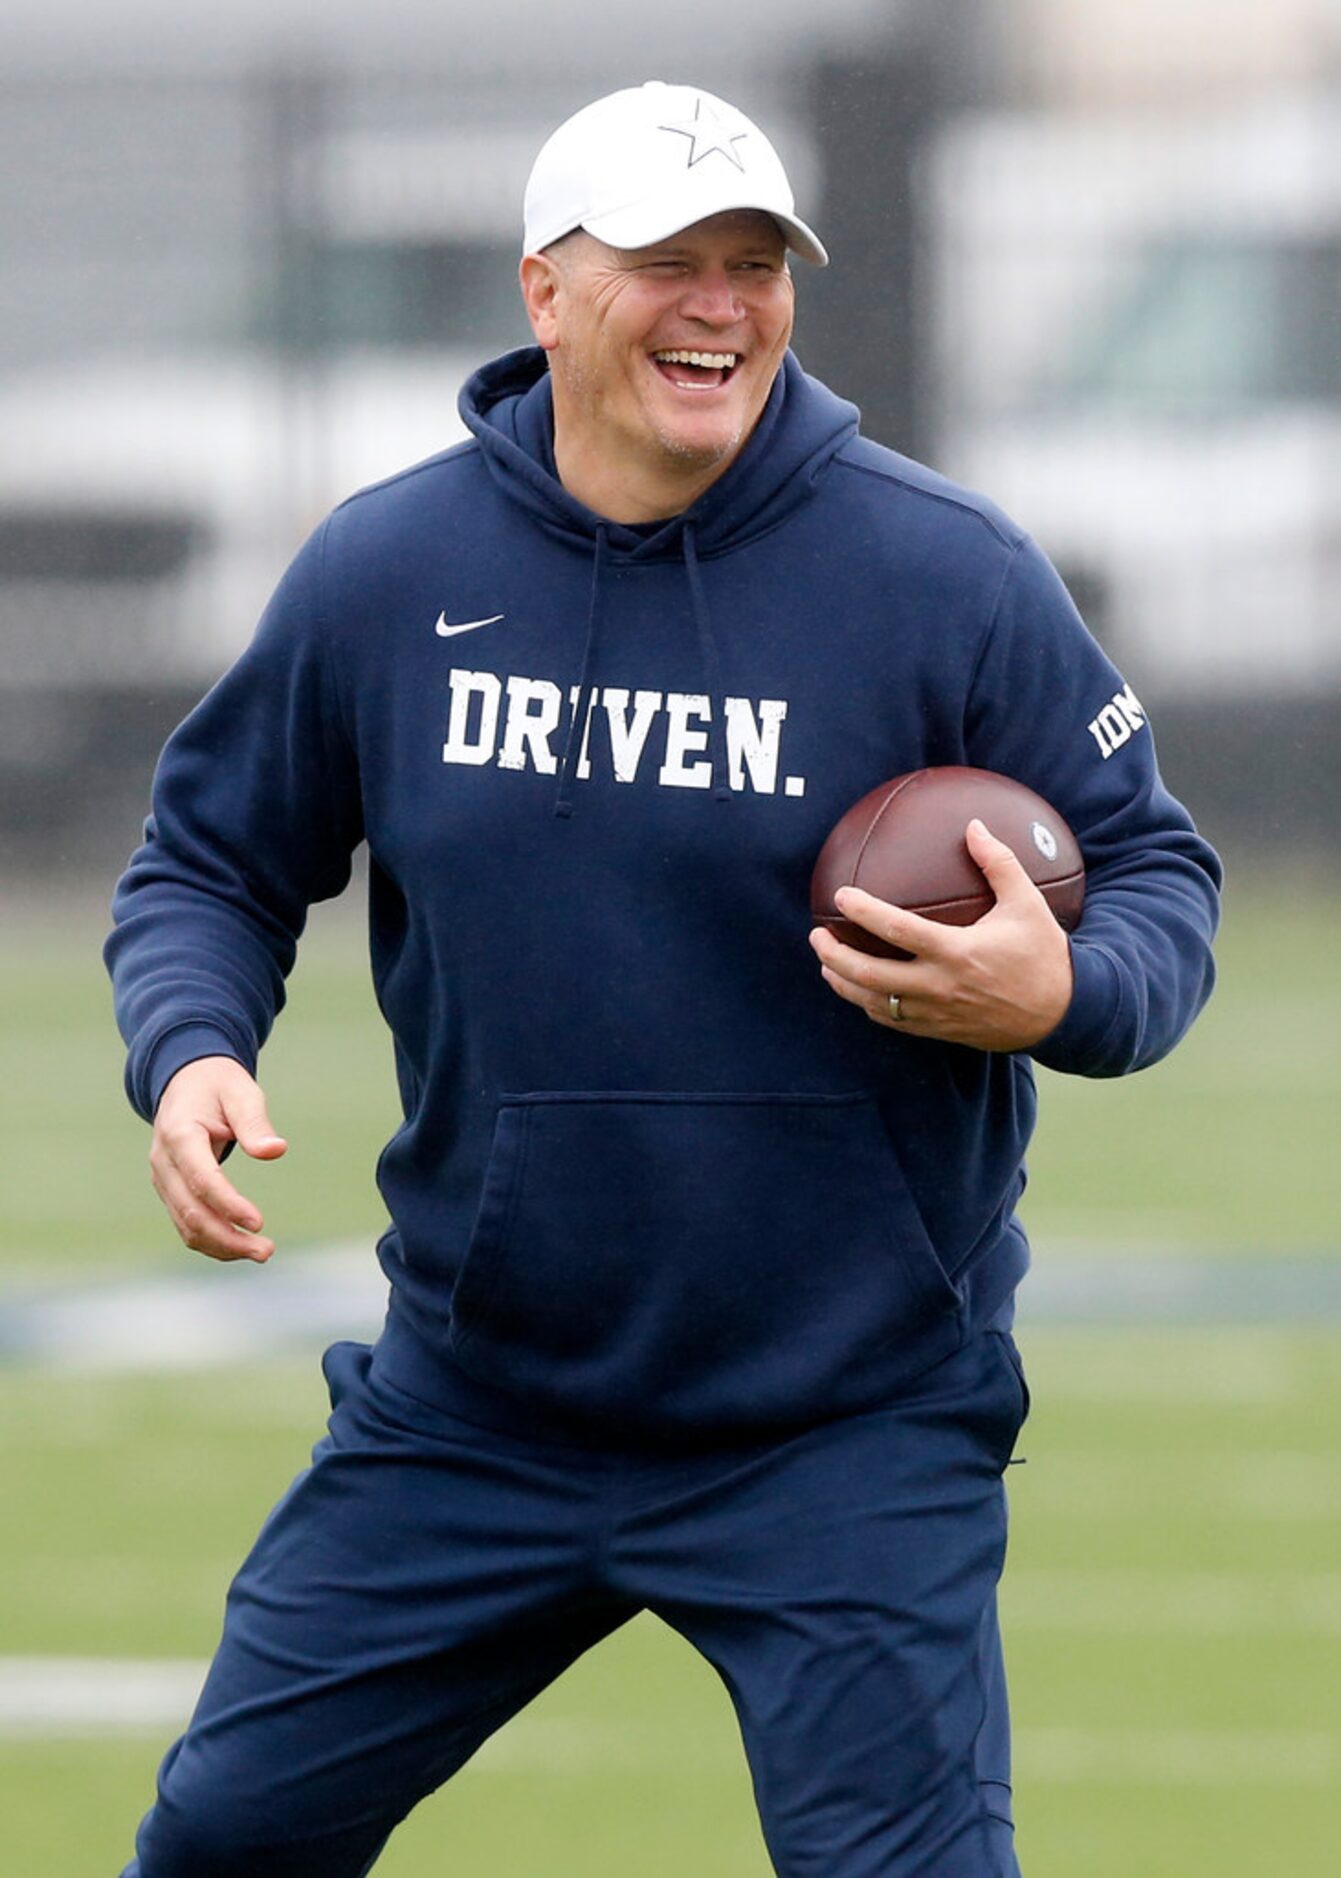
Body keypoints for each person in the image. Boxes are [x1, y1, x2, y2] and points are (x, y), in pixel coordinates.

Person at [106, 79, 1221, 1877]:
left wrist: (1062, 996)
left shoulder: (943, 572)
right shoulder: (389, 570)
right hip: (477, 1401)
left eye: (752, 263)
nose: (721, 303)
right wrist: (189, 1050)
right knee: (219, 1844)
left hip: (841, 1419)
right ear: (544, 291)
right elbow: (211, 861)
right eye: (666, 264)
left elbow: (1157, 873)